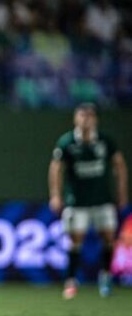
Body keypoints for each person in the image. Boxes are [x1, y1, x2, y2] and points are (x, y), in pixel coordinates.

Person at [48, 103, 129, 299]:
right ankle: (70, 281)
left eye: (90, 116)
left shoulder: (104, 141)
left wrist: (122, 192)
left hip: (102, 200)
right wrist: (56, 195)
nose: (86, 119)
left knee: (108, 238)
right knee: (75, 240)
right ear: (76, 119)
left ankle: (105, 278)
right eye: (82, 116)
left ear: (95, 119)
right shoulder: (67, 142)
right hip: (77, 202)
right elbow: (56, 168)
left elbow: (119, 165)